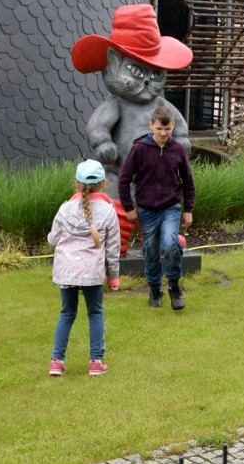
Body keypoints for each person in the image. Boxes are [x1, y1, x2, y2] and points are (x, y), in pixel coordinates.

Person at [118, 105, 195, 310]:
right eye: (159, 129)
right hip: (146, 210)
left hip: (170, 207)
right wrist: (129, 207)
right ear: (151, 125)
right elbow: (124, 179)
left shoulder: (177, 149)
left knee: (171, 245)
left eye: (167, 129)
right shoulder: (139, 149)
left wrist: (188, 209)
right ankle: (154, 289)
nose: (163, 133)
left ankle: (174, 288)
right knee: (150, 251)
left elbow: (188, 181)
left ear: (173, 127)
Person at [48, 159, 120, 377]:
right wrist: (114, 276)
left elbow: (53, 239)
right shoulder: (108, 211)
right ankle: (96, 362)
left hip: (66, 271)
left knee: (67, 313)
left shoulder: (65, 208)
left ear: (76, 184)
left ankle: (56, 362)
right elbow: (113, 248)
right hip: (92, 272)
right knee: (95, 313)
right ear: (104, 184)